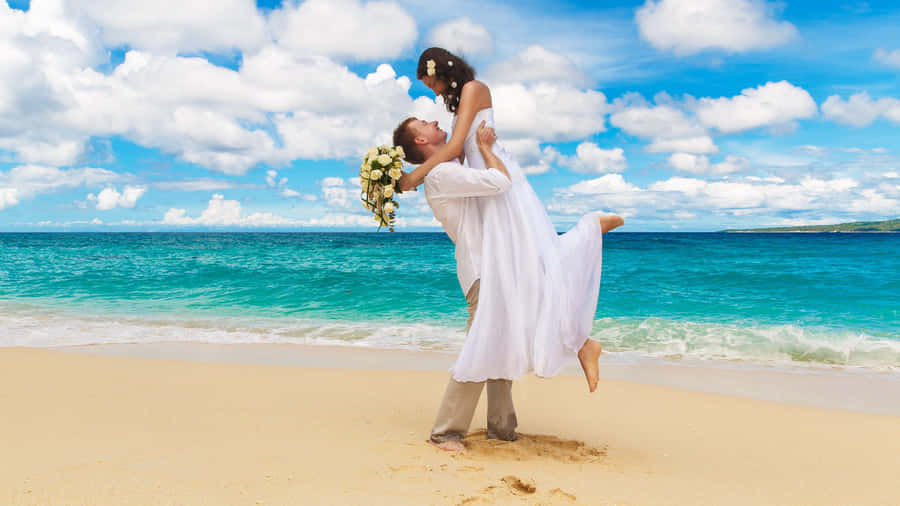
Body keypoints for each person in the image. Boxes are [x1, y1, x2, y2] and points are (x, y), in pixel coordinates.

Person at [397, 47, 623, 393]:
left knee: (537, 260)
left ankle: (589, 230)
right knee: (527, 271)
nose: (434, 92)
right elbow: (454, 153)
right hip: (486, 179)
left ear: (442, 70)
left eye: (433, 84)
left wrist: (415, 176)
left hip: (499, 177)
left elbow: (456, 147)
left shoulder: (473, 88)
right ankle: (582, 342)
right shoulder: (460, 104)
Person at [393, 117, 516, 451]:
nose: (435, 121)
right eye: (425, 123)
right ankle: (446, 432)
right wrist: (488, 150)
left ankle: (502, 427)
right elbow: (500, 182)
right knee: (480, 345)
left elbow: (459, 147)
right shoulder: (441, 174)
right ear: (420, 141)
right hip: (482, 269)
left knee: (499, 344)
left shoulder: (448, 167)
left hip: (490, 266)